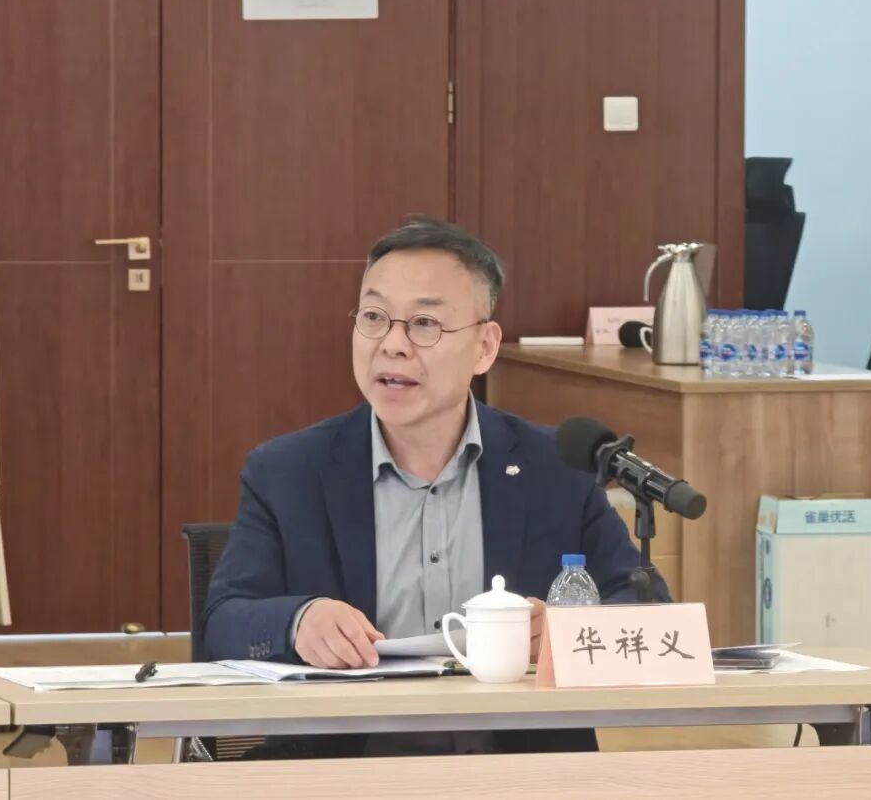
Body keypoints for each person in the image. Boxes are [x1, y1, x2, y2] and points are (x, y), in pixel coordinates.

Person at [202, 216, 670, 757]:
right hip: (342, 779)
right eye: (374, 317)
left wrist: (565, 634)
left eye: (424, 323)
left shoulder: (556, 468)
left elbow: (649, 612)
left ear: (484, 347)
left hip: (521, 778)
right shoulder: (288, 472)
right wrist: (297, 622)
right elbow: (223, 622)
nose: (392, 345)